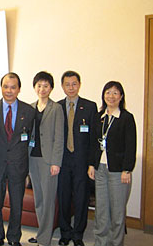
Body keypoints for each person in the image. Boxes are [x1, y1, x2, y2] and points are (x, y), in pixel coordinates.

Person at [0, 72, 35, 246]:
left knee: (16, 204)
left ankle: (14, 237)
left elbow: (31, 138)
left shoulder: (29, 111)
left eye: (13, 87)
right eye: (6, 86)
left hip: (18, 165)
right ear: (1, 88)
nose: (9, 90)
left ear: (19, 89)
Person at [88, 81, 136, 246]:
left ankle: (116, 243)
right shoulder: (99, 117)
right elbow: (94, 143)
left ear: (121, 96)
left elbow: (131, 146)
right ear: (103, 95)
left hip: (118, 171)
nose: (111, 96)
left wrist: (127, 170)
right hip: (100, 169)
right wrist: (91, 165)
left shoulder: (126, 118)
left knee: (117, 212)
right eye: (108, 92)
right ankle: (100, 242)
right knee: (101, 210)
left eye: (115, 93)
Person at [57, 71, 97, 246]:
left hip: (81, 161)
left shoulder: (90, 106)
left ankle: (78, 234)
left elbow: (94, 138)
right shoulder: (57, 107)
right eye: (67, 84)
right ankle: (65, 232)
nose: (71, 87)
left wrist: (91, 164)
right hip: (63, 161)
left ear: (79, 85)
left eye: (74, 84)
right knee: (64, 197)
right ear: (62, 86)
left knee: (81, 198)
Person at [28, 71, 64, 246]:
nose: (42, 89)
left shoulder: (56, 108)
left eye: (46, 86)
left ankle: (44, 238)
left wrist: (56, 162)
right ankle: (42, 232)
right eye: (39, 85)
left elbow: (59, 138)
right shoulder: (29, 107)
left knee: (48, 201)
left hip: (48, 160)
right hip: (32, 159)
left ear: (51, 88)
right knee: (39, 199)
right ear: (35, 87)